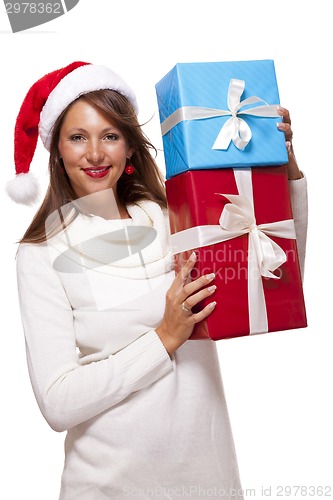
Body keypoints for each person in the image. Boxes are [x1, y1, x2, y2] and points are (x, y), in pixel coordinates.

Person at [7, 61, 308, 500]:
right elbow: (58, 402)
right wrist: (164, 336)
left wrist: (284, 172)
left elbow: (270, 275)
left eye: (109, 135)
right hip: (109, 487)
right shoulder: (41, 253)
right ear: (56, 149)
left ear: (129, 145)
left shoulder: (175, 218)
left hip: (208, 479)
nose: (94, 153)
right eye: (77, 137)